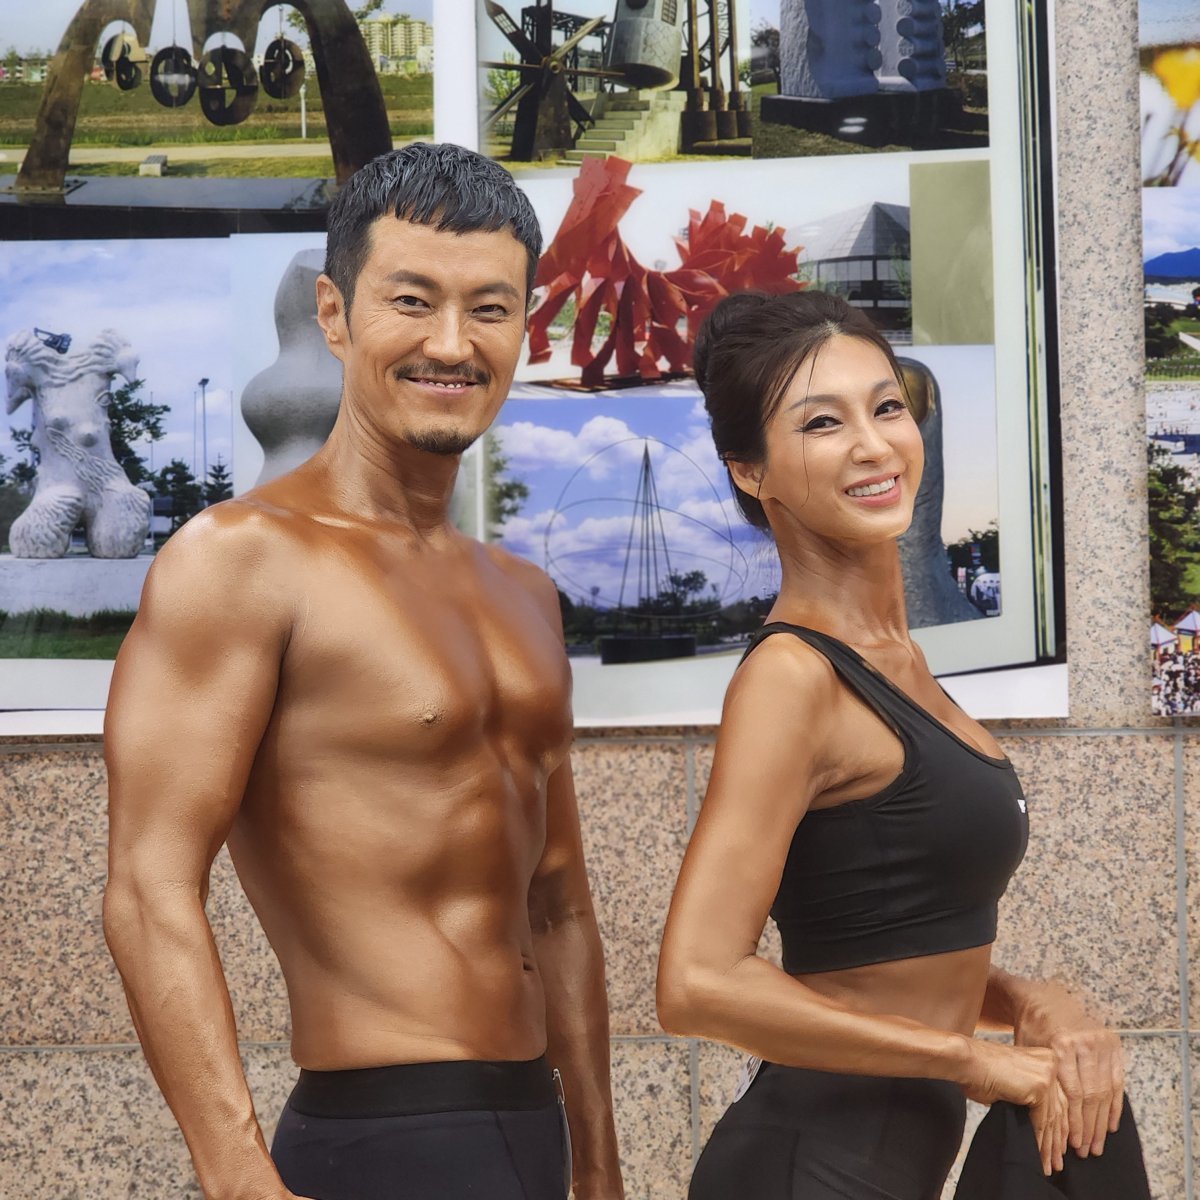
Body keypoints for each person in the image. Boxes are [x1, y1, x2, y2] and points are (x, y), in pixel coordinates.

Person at [103, 143, 624, 1200]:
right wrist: (239, 1178)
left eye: (490, 309)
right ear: (336, 317)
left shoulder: (523, 594)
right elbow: (150, 888)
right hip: (376, 1144)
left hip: (536, 1138)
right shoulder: (242, 560)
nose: (451, 343)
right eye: (413, 300)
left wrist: (603, 1168)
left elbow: (560, 905)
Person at [656, 290, 1125, 1199]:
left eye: (887, 407)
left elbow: (883, 958)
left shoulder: (899, 661)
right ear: (752, 471)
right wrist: (970, 1061)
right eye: (822, 422)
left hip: (887, 1161)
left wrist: (1025, 998)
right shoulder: (794, 678)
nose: (874, 444)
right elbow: (697, 983)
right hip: (812, 1164)